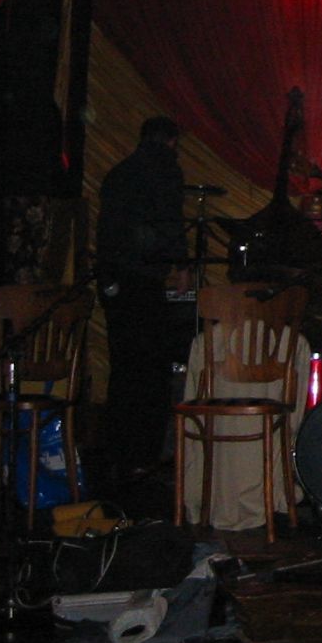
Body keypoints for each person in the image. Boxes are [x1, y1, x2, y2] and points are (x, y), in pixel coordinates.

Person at [95, 116, 193, 483]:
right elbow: (170, 221)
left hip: (115, 279)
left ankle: (116, 452)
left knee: (123, 366)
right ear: (171, 142)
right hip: (143, 277)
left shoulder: (119, 173)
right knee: (152, 367)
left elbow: (107, 232)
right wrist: (181, 265)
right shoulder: (165, 170)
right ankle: (144, 454)